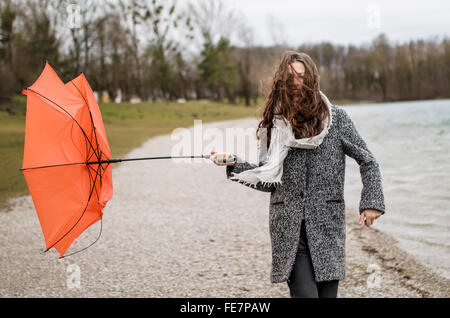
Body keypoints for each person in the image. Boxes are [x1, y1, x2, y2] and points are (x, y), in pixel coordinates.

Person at [211, 51, 385, 298]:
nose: (296, 84)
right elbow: (267, 180)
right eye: (290, 78)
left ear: (312, 79)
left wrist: (371, 203)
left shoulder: (337, 119)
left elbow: (368, 161)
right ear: (281, 83)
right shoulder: (273, 125)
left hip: (327, 227)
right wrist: (234, 163)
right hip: (289, 230)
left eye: (302, 77)